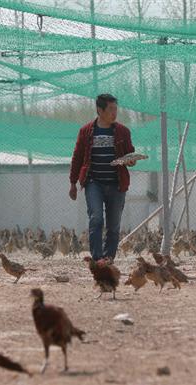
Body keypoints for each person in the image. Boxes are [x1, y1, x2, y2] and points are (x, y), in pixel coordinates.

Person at [69, 94, 137, 262]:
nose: (114, 113)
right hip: (94, 184)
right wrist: (72, 182)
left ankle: (108, 258)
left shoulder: (123, 132)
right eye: (111, 109)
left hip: (117, 184)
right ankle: (97, 258)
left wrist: (131, 160)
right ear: (100, 110)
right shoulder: (86, 132)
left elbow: (130, 155)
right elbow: (77, 157)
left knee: (113, 225)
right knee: (96, 218)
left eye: (116, 109)